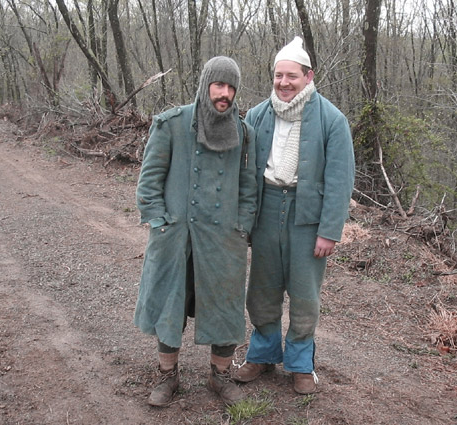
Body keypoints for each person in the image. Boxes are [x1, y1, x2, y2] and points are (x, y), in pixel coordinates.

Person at [134, 56, 257, 407]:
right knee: (170, 303)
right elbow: (150, 181)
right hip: (176, 237)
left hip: (223, 240)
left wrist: (242, 228)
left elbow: (249, 190)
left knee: (225, 306)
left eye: (231, 87)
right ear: (206, 85)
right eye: (219, 85)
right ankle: (167, 376)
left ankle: (220, 376)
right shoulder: (172, 124)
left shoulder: (245, 133)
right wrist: (160, 222)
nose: (226, 94)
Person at [234, 37, 355, 394]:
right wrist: (246, 220)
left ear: (308, 76)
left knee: (304, 295)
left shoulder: (332, 119)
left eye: (291, 76)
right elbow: (244, 174)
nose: (284, 83)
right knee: (261, 291)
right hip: (267, 209)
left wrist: (329, 230)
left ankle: (301, 364)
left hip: (308, 215)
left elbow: (339, 179)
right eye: (278, 76)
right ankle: (262, 355)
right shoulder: (256, 115)